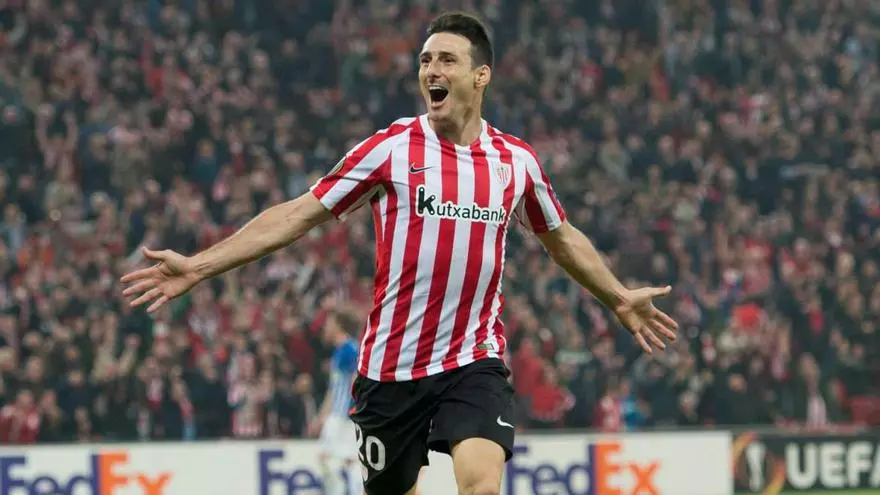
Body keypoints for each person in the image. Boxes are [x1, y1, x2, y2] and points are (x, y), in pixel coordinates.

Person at [121, 12, 678, 495]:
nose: (432, 70)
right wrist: (200, 265)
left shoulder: (516, 162)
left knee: (482, 484)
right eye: (425, 60)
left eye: (447, 60)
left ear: (481, 75)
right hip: (390, 371)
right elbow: (298, 214)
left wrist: (617, 296)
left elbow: (560, 236)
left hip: (472, 359)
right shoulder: (390, 149)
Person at [308, 311, 362, 495]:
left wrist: (353, 408)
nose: (325, 327)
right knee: (330, 459)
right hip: (336, 415)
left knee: (346, 459)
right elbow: (334, 389)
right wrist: (321, 416)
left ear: (339, 325)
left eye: (329, 323)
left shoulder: (351, 349)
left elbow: (357, 379)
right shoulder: (338, 352)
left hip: (345, 415)